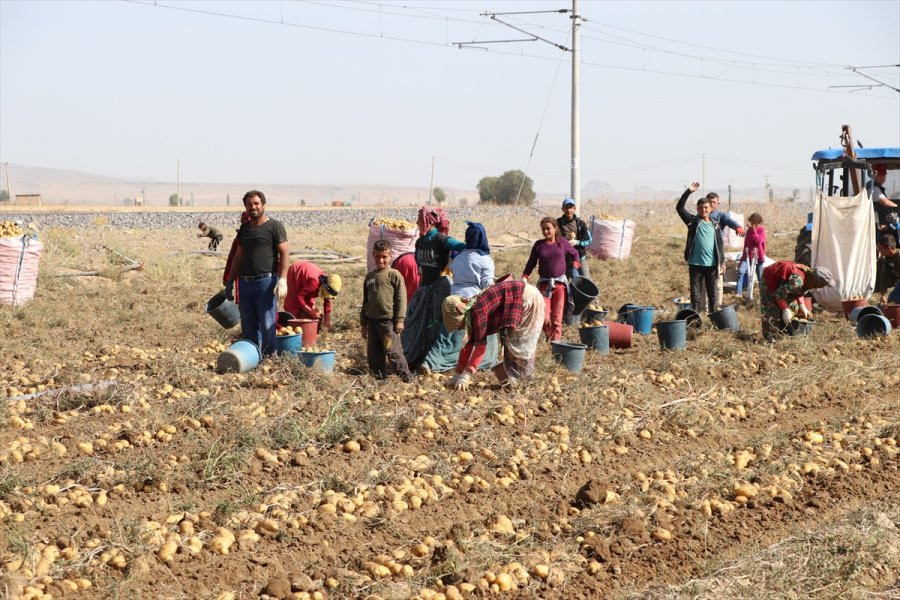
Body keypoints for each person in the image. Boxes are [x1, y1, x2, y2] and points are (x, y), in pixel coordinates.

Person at [442, 280, 545, 390]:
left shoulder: (477, 312)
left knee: (520, 345)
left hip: (529, 299)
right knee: (513, 345)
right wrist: (457, 374)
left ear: (462, 317)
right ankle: (513, 383)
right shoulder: (471, 308)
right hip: (522, 297)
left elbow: (480, 347)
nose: (461, 328)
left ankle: (522, 385)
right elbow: (468, 344)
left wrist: (466, 375)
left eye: (460, 325)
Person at [224, 190, 289, 357]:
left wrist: (282, 279)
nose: (253, 207)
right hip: (245, 284)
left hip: (265, 283)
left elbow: (284, 252)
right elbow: (238, 257)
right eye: (249, 204)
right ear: (245, 207)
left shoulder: (274, 226)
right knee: (248, 324)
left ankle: (269, 358)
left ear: (263, 205)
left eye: (256, 203)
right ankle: (253, 358)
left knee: (267, 323)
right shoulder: (245, 229)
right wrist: (230, 281)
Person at [401, 207, 466, 370]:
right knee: (415, 323)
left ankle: (432, 359)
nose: (417, 222)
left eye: (419, 219)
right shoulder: (420, 242)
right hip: (424, 288)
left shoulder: (442, 240)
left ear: (428, 221)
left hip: (439, 289)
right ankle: (418, 356)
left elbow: (463, 247)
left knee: (434, 324)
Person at [361, 240, 413, 382]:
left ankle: (405, 376)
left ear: (390, 256)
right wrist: (363, 324)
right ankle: (378, 376)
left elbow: (401, 298)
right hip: (372, 321)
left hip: (388, 322)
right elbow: (365, 301)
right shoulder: (370, 277)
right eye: (377, 256)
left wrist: (400, 320)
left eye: (384, 257)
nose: (381, 260)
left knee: (392, 350)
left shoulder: (394, 275)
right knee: (374, 351)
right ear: (373, 255)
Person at [522, 216, 580, 342]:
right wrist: (525, 277)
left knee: (557, 318)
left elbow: (575, 253)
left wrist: (575, 266)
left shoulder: (562, 242)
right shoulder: (539, 245)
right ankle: (549, 336)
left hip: (560, 286)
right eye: (543, 229)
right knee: (544, 317)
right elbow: (531, 263)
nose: (545, 231)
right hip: (545, 286)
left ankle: (555, 344)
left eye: (548, 228)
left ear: (555, 228)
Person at [676, 183, 724, 313]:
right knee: (695, 296)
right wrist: (688, 191)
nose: (704, 210)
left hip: (712, 265)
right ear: (697, 209)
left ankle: (713, 318)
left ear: (711, 209)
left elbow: (719, 244)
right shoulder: (692, 222)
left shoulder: (715, 225)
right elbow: (679, 208)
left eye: (706, 207)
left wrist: (722, 261)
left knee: (712, 296)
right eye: (701, 207)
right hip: (695, 264)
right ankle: (695, 319)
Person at [759, 261, 834, 341]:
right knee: (771, 310)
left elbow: (799, 291)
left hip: (785, 285)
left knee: (793, 307)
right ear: (816, 281)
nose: (822, 287)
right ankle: (771, 338)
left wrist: (802, 306)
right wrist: (785, 309)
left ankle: (783, 330)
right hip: (770, 279)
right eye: (823, 285)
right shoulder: (797, 282)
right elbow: (778, 295)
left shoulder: (808, 277)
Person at [698, 192, 744, 311]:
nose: (712, 205)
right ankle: (703, 309)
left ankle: (717, 308)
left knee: (718, 283)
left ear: (718, 203)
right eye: (710, 202)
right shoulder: (700, 216)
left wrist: (737, 227)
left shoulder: (720, 216)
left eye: (714, 202)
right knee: (703, 284)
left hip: (716, 254)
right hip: (702, 256)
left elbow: (730, 221)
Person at [284, 261, 342, 332]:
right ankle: (291, 327)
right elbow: (299, 298)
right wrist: (311, 311)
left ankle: (307, 327)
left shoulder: (328, 285)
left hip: (307, 278)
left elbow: (327, 303)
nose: (328, 296)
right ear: (324, 286)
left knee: (309, 306)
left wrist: (327, 320)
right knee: (293, 305)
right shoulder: (315, 284)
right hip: (295, 272)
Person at [557, 197, 592, 279]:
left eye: (571, 207)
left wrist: (577, 242)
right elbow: (554, 239)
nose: (568, 210)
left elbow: (589, 239)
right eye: (566, 207)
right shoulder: (558, 223)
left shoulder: (580, 223)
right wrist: (564, 240)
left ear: (574, 209)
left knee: (586, 280)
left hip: (580, 258)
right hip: (564, 259)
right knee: (563, 282)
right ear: (562, 209)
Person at [735, 213, 766, 301]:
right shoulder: (749, 231)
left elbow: (758, 241)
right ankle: (739, 293)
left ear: (758, 222)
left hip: (758, 257)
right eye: (751, 222)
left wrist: (753, 230)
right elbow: (746, 245)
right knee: (741, 271)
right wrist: (742, 260)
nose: (752, 224)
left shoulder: (761, 230)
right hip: (747, 256)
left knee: (760, 277)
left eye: (754, 222)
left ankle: (763, 296)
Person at [223, 211, 251, 303]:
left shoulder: (265, 235)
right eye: (245, 220)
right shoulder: (238, 240)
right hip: (243, 278)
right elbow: (232, 259)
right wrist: (227, 280)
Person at [868, 165, 899, 242]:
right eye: (880, 175)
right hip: (876, 225)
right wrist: (897, 206)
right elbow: (885, 202)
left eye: (884, 175)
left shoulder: (877, 188)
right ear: (874, 175)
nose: (882, 177)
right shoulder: (873, 188)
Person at [876, 234, 900, 304]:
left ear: (888, 248)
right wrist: (883, 294)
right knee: (892, 298)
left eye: (880, 248)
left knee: (896, 299)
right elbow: (885, 276)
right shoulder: (887, 259)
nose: (879, 250)